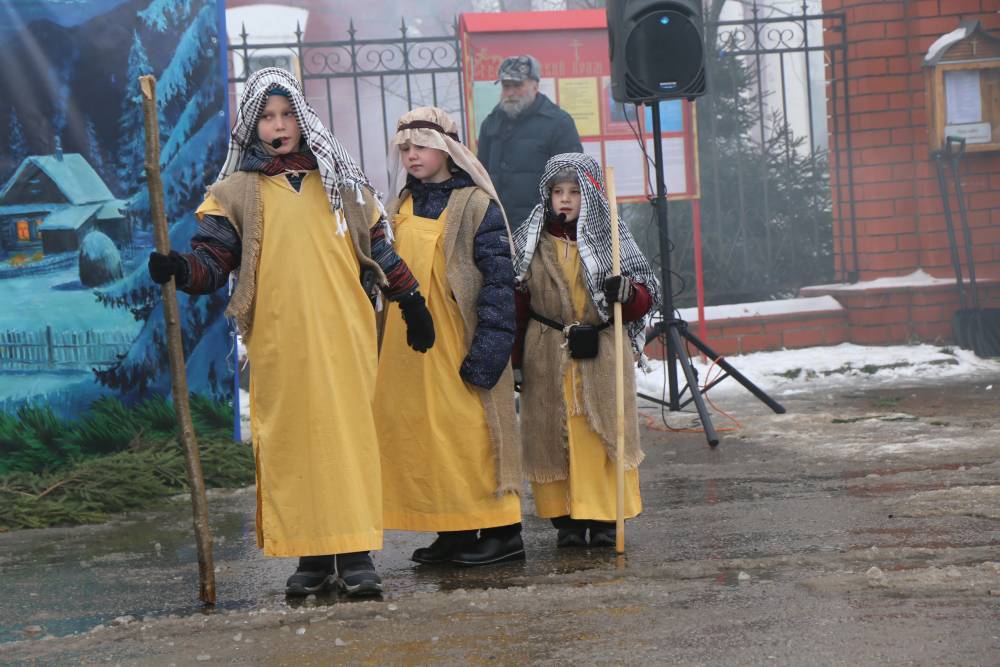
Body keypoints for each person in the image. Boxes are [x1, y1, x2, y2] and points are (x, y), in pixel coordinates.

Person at [147, 68, 435, 597]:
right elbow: (212, 262)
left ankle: (355, 552)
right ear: (252, 126)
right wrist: (181, 269)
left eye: (286, 115)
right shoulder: (235, 192)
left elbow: (379, 250)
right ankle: (313, 554)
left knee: (346, 438)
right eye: (266, 118)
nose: (278, 126)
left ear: (303, 120)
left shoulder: (343, 184)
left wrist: (410, 299)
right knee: (293, 441)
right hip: (278, 339)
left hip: (345, 334)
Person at [375, 106, 524, 566]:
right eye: (405, 148)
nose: (412, 156)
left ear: (447, 149)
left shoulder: (476, 206)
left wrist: (490, 350)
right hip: (413, 344)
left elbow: (498, 282)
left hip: (461, 340)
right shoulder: (400, 206)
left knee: (471, 434)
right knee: (429, 436)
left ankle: (503, 531)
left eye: (421, 146)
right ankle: (454, 529)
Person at [511, 153, 660, 548]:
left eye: (574, 192)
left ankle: (607, 516)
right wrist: (515, 360)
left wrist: (626, 293)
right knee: (552, 434)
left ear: (591, 195)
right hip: (546, 350)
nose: (565, 199)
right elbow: (517, 302)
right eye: (558, 191)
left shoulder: (611, 238)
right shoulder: (530, 241)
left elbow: (646, 295)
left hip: (602, 351)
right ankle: (567, 521)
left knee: (602, 433)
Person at [477, 55, 583, 230]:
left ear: (535, 86)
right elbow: (481, 176)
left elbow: (572, 182)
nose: (510, 92)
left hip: (542, 229)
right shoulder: (491, 124)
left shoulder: (558, 123)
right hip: (499, 228)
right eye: (506, 86)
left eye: (517, 85)